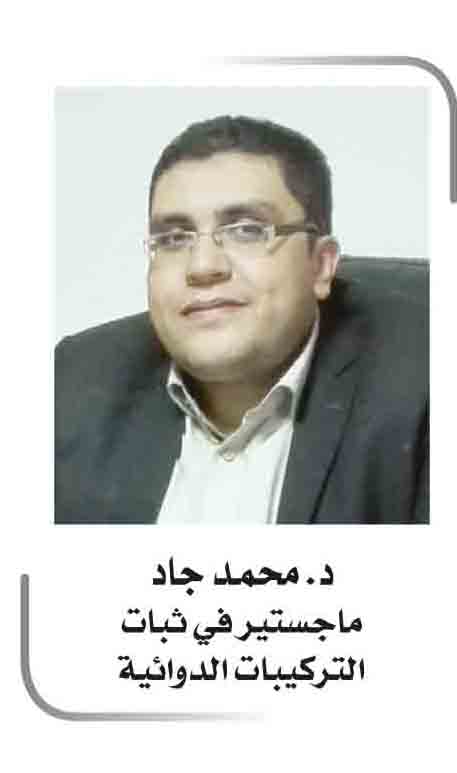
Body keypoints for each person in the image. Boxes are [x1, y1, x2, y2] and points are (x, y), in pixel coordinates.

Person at [55, 115, 428, 524]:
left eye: (247, 230)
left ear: (321, 266)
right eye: (174, 239)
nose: (202, 266)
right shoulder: (72, 385)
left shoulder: (425, 385)